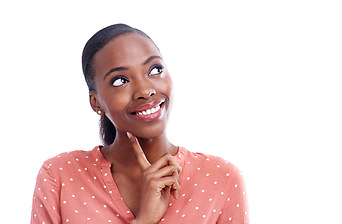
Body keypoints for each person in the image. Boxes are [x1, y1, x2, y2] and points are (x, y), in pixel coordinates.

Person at [31, 24, 249, 224]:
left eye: (155, 69)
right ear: (96, 102)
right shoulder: (59, 176)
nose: (145, 90)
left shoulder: (222, 178)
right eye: (120, 80)